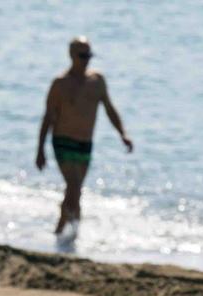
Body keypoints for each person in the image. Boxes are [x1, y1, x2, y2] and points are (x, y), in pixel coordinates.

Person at [36, 36, 133, 237]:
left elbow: (109, 109)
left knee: (76, 191)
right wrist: (40, 150)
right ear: (71, 55)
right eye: (82, 55)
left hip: (85, 144)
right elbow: (48, 117)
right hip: (62, 141)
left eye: (89, 55)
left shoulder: (97, 81)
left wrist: (122, 134)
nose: (86, 59)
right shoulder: (60, 83)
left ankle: (69, 237)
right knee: (73, 185)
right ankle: (62, 233)